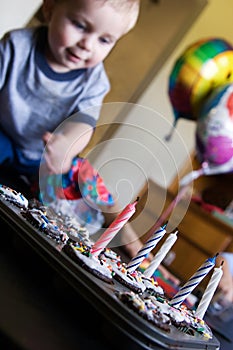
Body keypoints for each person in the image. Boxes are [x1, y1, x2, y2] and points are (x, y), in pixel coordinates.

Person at [0, 0, 179, 285]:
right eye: (80, 25)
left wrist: (67, 145)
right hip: (6, 135)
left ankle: (136, 249)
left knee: (90, 183)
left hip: (49, 158)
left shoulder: (94, 81)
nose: (87, 44)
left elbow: (83, 125)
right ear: (49, 9)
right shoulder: (17, 46)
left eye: (104, 39)